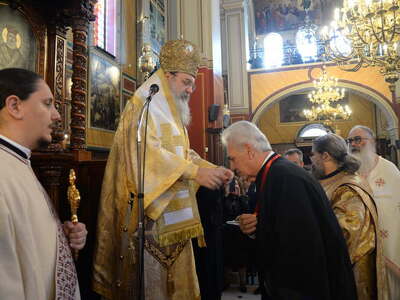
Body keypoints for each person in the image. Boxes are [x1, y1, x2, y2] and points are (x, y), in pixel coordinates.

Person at [92, 39, 233, 300]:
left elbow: (180, 153)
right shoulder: (145, 104)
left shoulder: (168, 108)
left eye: (193, 83)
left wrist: (210, 168)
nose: (191, 89)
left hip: (173, 216)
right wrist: (194, 172)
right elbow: (145, 154)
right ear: (167, 76)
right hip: (150, 220)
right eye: (186, 82)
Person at [221, 120, 357, 300]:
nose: (232, 167)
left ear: (249, 150)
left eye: (232, 159)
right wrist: (258, 227)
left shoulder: (286, 178)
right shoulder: (275, 174)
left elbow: (299, 252)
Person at [0, 68, 88, 300]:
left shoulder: (18, 162)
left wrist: (61, 235)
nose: (57, 115)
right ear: (15, 106)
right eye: (48, 104)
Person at [311, 133, 387, 300]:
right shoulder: (329, 181)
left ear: (325, 155)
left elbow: (345, 232)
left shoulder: (348, 187)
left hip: (353, 269)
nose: (312, 159)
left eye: (313, 154)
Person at [348, 125, 400, 299]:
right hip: (360, 246)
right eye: (350, 140)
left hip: (390, 242)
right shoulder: (348, 173)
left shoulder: (390, 170)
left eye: (358, 139)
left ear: (372, 142)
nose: (353, 144)